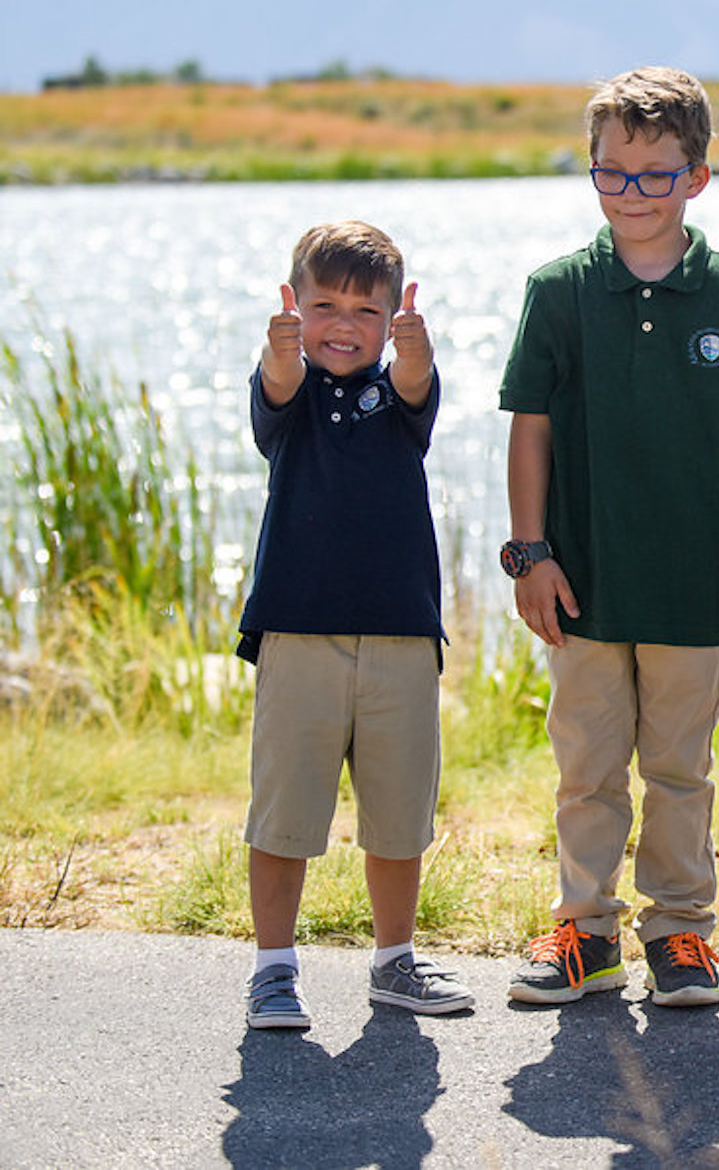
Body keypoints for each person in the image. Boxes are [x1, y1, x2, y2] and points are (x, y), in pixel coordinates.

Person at [499, 66, 719, 1009]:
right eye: (612, 172)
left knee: (678, 770)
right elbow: (530, 428)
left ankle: (681, 934)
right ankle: (585, 932)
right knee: (586, 769)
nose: (633, 193)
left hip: (691, 580)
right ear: (589, 172)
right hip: (579, 581)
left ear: (697, 177)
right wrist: (530, 554)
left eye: (655, 174)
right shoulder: (558, 291)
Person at [237, 220, 470, 1029]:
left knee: (398, 810)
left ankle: (394, 960)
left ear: (391, 317)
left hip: (402, 630)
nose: (343, 324)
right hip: (298, 629)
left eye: (365, 311)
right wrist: (280, 351)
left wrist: (411, 349)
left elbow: (414, 384)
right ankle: (274, 968)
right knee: (285, 809)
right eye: (324, 306)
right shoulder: (290, 393)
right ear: (296, 310)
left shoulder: (401, 395)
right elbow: (273, 384)